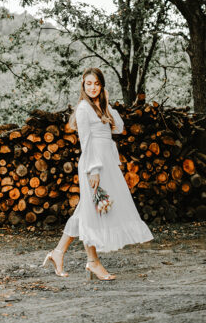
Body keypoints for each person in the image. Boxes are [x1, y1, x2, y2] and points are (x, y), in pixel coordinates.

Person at [42, 67, 154, 281]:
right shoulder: (84, 108)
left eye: (96, 84)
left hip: (108, 161)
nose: (92, 88)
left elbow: (119, 128)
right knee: (91, 211)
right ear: (83, 86)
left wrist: (106, 104)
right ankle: (92, 262)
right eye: (88, 84)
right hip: (94, 164)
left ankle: (58, 252)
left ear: (102, 86)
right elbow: (86, 141)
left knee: (86, 208)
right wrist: (93, 170)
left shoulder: (100, 107)